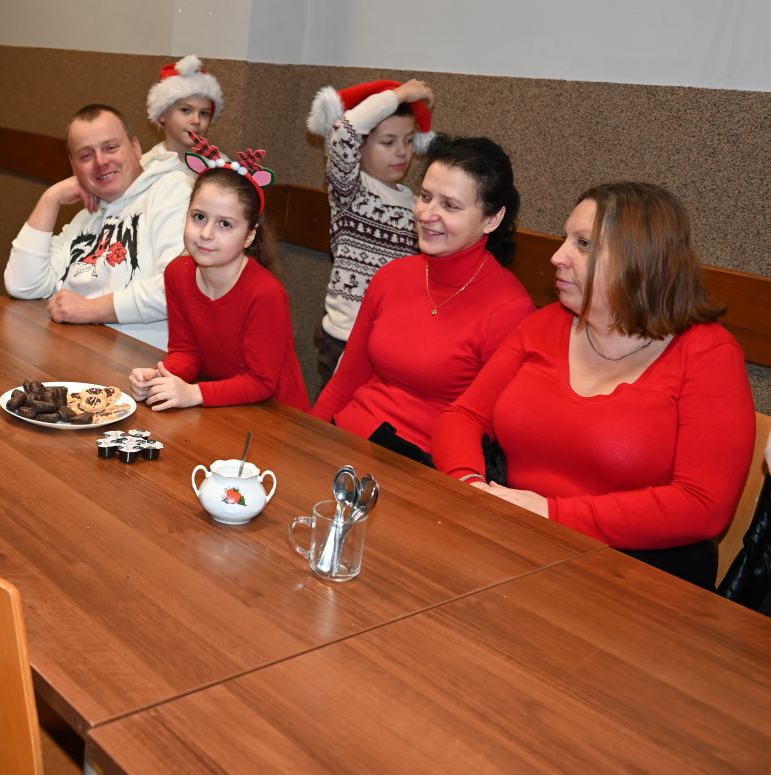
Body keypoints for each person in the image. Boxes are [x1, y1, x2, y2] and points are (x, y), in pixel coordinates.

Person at [432, 181, 755, 588]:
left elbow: (703, 505)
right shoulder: (545, 324)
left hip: (635, 575)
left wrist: (553, 514)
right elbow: (463, 416)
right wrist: (471, 486)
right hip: (517, 541)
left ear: (638, 260)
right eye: (566, 239)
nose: (557, 256)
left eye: (583, 244)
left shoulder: (708, 354)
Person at [311, 136, 534, 463]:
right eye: (426, 197)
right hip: (347, 439)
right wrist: (308, 441)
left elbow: (488, 430)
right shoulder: (392, 276)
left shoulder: (509, 311)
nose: (427, 214)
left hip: (419, 466)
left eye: (450, 205)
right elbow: (345, 381)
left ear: (492, 219)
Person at [129, 136, 308, 412]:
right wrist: (160, 376)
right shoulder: (177, 273)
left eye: (225, 224)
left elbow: (262, 382)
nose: (206, 233)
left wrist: (194, 393)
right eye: (199, 217)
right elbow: (187, 352)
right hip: (220, 406)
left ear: (249, 236)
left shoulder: (265, 293)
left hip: (277, 416)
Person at [4, 104, 192, 351]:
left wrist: (91, 309)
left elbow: (179, 289)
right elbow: (23, 285)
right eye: (86, 156)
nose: (101, 161)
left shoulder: (173, 190)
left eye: (111, 147)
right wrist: (50, 198)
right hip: (74, 351)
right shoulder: (85, 217)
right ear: (73, 167)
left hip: (141, 360)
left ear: (135, 147)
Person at [306, 78, 436, 386]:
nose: (401, 152)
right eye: (388, 142)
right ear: (361, 145)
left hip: (393, 341)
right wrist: (399, 94)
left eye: (409, 140)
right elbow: (344, 131)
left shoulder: (418, 206)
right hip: (346, 336)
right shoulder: (351, 192)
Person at [140, 54, 224, 169]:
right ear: (162, 114)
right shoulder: (145, 167)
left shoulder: (219, 165)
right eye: (186, 110)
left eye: (204, 113)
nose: (196, 120)